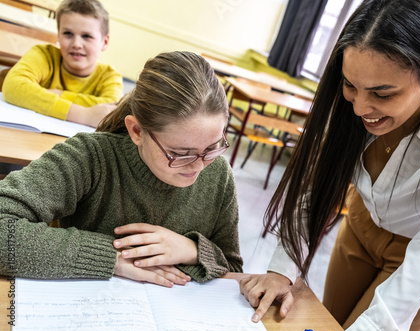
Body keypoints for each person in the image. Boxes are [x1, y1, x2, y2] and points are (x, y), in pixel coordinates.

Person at [238, 0, 420, 331]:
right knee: (326, 321)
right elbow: (319, 183)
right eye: (351, 87)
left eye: (382, 93)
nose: (361, 107)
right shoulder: (353, 88)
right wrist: (280, 270)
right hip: (364, 224)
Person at [0, 51, 243, 287]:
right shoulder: (90, 157)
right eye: (180, 154)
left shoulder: (219, 174)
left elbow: (232, 270)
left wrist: (193, 251)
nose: (199, 164)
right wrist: (111, 257)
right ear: (137, 131)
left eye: (212, 148)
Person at [2, 0, 123, 128]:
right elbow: (12, 86)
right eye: (68, 34)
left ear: (104, 42)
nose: (76, 44)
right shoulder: (43, 55)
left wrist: (59, 94)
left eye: (86, 36)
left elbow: (110, 107)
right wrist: (83, 114)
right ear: (58, 36)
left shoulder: (110, 76)